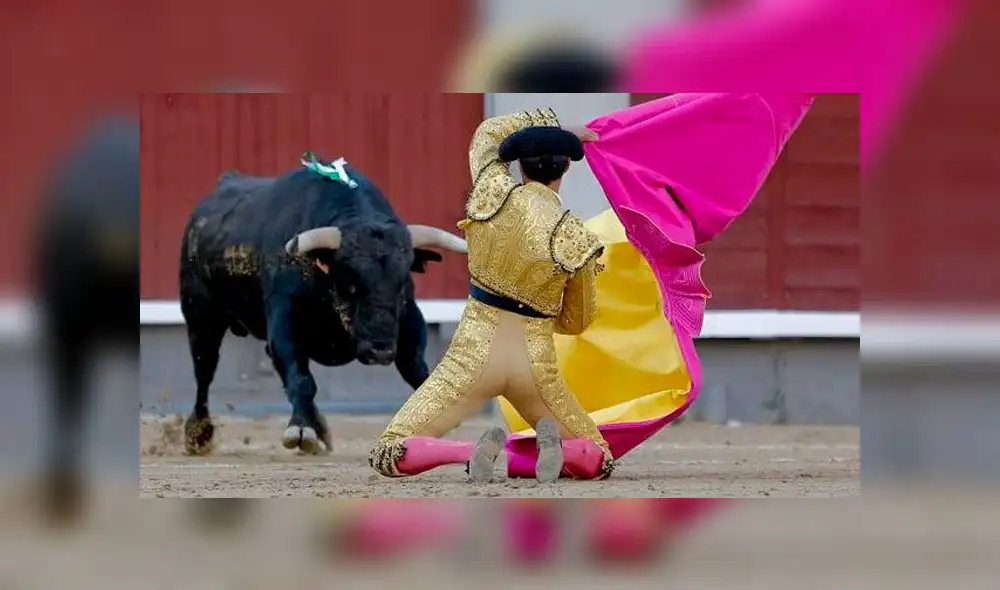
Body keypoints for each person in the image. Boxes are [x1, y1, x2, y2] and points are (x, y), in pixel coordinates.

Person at [369, 107, 614, 483]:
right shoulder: (575, 235)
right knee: (599, 458)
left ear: (520, 165)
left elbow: (488, 133)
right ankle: (553, 453)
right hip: (535, 366)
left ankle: (468, 452)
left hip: (472, 354)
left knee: (389, 450)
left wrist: (552, 127)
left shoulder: (491, 189)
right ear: (566, 167)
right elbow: (576, 322)